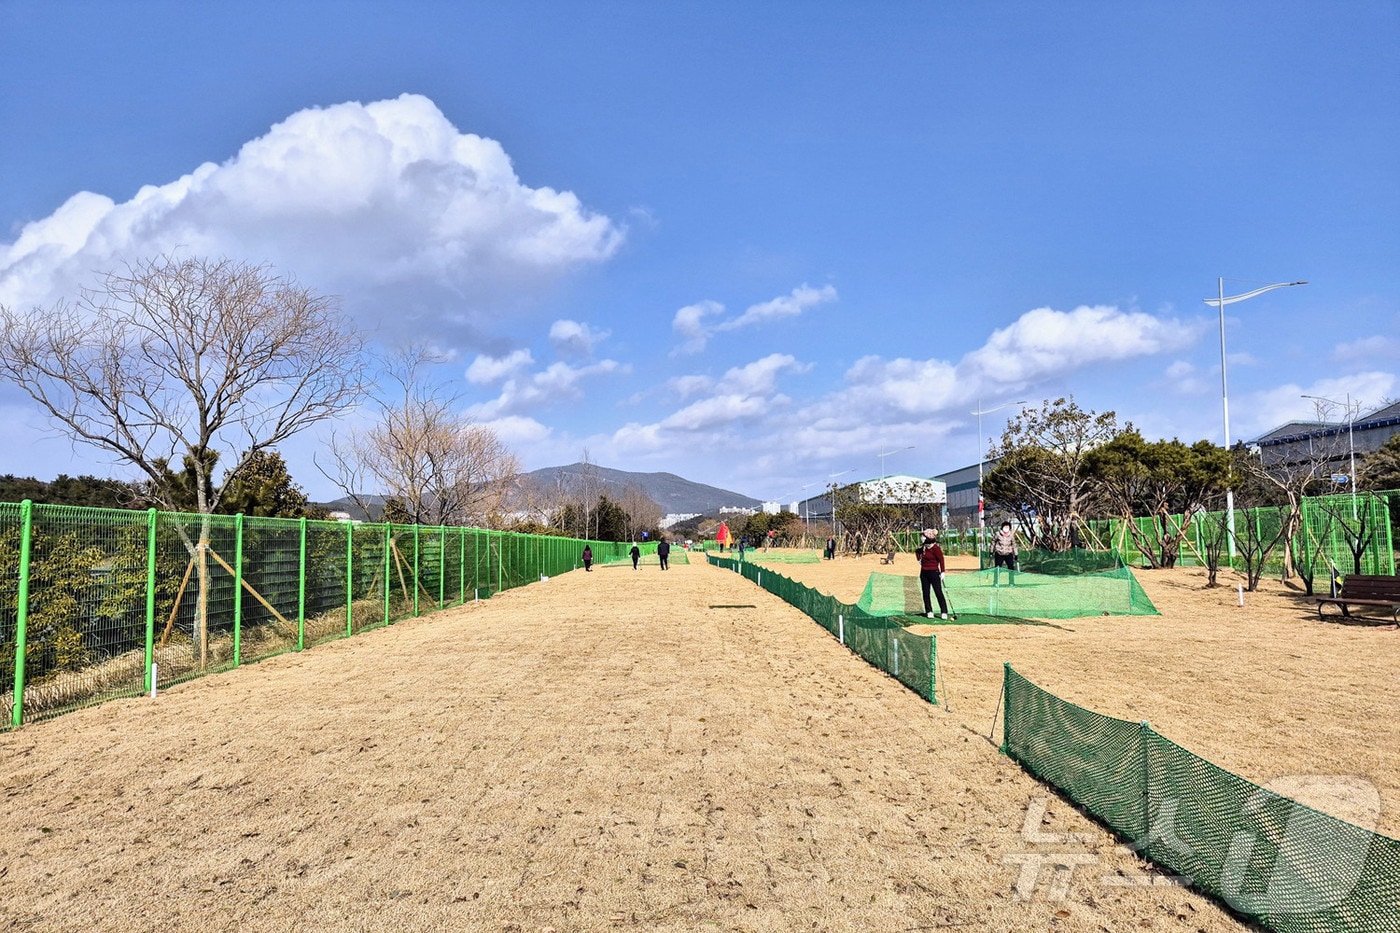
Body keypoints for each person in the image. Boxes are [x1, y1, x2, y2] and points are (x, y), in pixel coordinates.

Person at [915, 528, 952, 620]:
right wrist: (919, 559)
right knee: (926, 593)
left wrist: (942, 571)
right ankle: (929, 611)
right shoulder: (923, 547)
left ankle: (944, 611)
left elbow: (941, 560)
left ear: (928, 538)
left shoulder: (936, 548)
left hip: (934, 573)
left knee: (938, 592)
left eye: (923, 536)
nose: (922, 538)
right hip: (924, 573)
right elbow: (917, 552)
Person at [992, 520, 1018, 585]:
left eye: (1007, 527)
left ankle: (1011, 582)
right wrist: (991, 551)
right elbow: (993, 542)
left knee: (1011, 568)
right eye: (1005, 526)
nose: (1006, 528)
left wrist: (1016, 554)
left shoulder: (1011, 535)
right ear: (1002, 527)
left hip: (1008, 553)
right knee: (997, 568)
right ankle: (996, 582)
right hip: (999, 553)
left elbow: (1014, 545)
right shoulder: (998, 534)